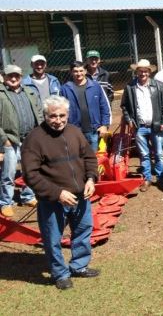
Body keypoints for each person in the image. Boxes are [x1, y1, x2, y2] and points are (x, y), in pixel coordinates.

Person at [21, 95, 100, 290]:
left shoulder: (75, 132)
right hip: (53, 200)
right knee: (52, 238)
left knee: (83, 231)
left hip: (81, 195)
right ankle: (60, 273)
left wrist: (91, 178)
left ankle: (79, 265)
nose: (58, 121)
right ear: (45, 115)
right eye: (53, 116)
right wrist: (57, 193)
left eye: (62, 116)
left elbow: (89, 157)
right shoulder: (35, 139)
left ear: (68, 114)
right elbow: (30, 175)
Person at [0, 64, 43, 217]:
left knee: (30, 170)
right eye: (10, 75)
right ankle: (6, 202)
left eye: (16, 76)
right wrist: (4, 139)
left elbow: (39, 113)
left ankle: (28, 196)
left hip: (30, 138)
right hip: (10, 140)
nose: (13, 78)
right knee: (8, 173)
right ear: (4, 77)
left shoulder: (29, 92)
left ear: (20, 77)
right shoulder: (0, 93)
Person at [120, 59, 163, 192]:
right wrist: (129, 119)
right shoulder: (130, 87)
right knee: (144, 154)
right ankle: (147, 178)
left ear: (149, 72)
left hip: (156, 126)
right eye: (140, 71)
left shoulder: (158, 86)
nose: (143, 73)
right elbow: (124, 106)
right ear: (136, 72)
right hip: (139, 126)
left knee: (159, 154)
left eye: (145, 71)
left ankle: (161, 178)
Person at [60, 60, 111, 151]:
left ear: (85, 71)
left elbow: (104, 107)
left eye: (81, 71)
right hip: (74, 132)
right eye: (75, 71)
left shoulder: (95, 86)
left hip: (94, 131)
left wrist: (104, 125)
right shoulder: (65, 89)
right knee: (77, 159)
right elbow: (60, 111)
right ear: (71, 72)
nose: (78, 74)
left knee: (93, 159)